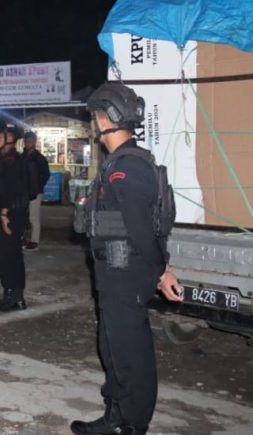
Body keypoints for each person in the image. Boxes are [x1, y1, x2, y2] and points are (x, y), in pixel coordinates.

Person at [71, 83, 183, 435]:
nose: (93, 123)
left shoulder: (128, 167)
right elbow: (116, 222)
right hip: (115, 270)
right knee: (113, 347)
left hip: (127, 272)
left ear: (106, 118)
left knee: (130, 352)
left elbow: (142, 231)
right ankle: (116, 415)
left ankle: (133, 423)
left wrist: (161, 271)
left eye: (94, 116)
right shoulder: (119, 163)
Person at [0, 122, 33, 312]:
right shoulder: (4, 159)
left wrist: (4, 214)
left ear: (11, 138)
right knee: (7, 256)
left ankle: (15, 297)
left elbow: (11, 189)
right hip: (7, 213)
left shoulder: (12, 160)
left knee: (8, 256)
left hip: (11, 214)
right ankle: (11, 296)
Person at [22, 131, 51, 251]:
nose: (28, 143)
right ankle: (23, 239)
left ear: (34, 142)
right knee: (22, 216)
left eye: (30, 141)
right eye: (26, 141)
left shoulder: (40, 158)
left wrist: (38, 186)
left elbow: (46, 174)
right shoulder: (22, 157)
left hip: (36, 192)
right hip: (22, 192)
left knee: (33, 217)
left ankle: (34, 241)